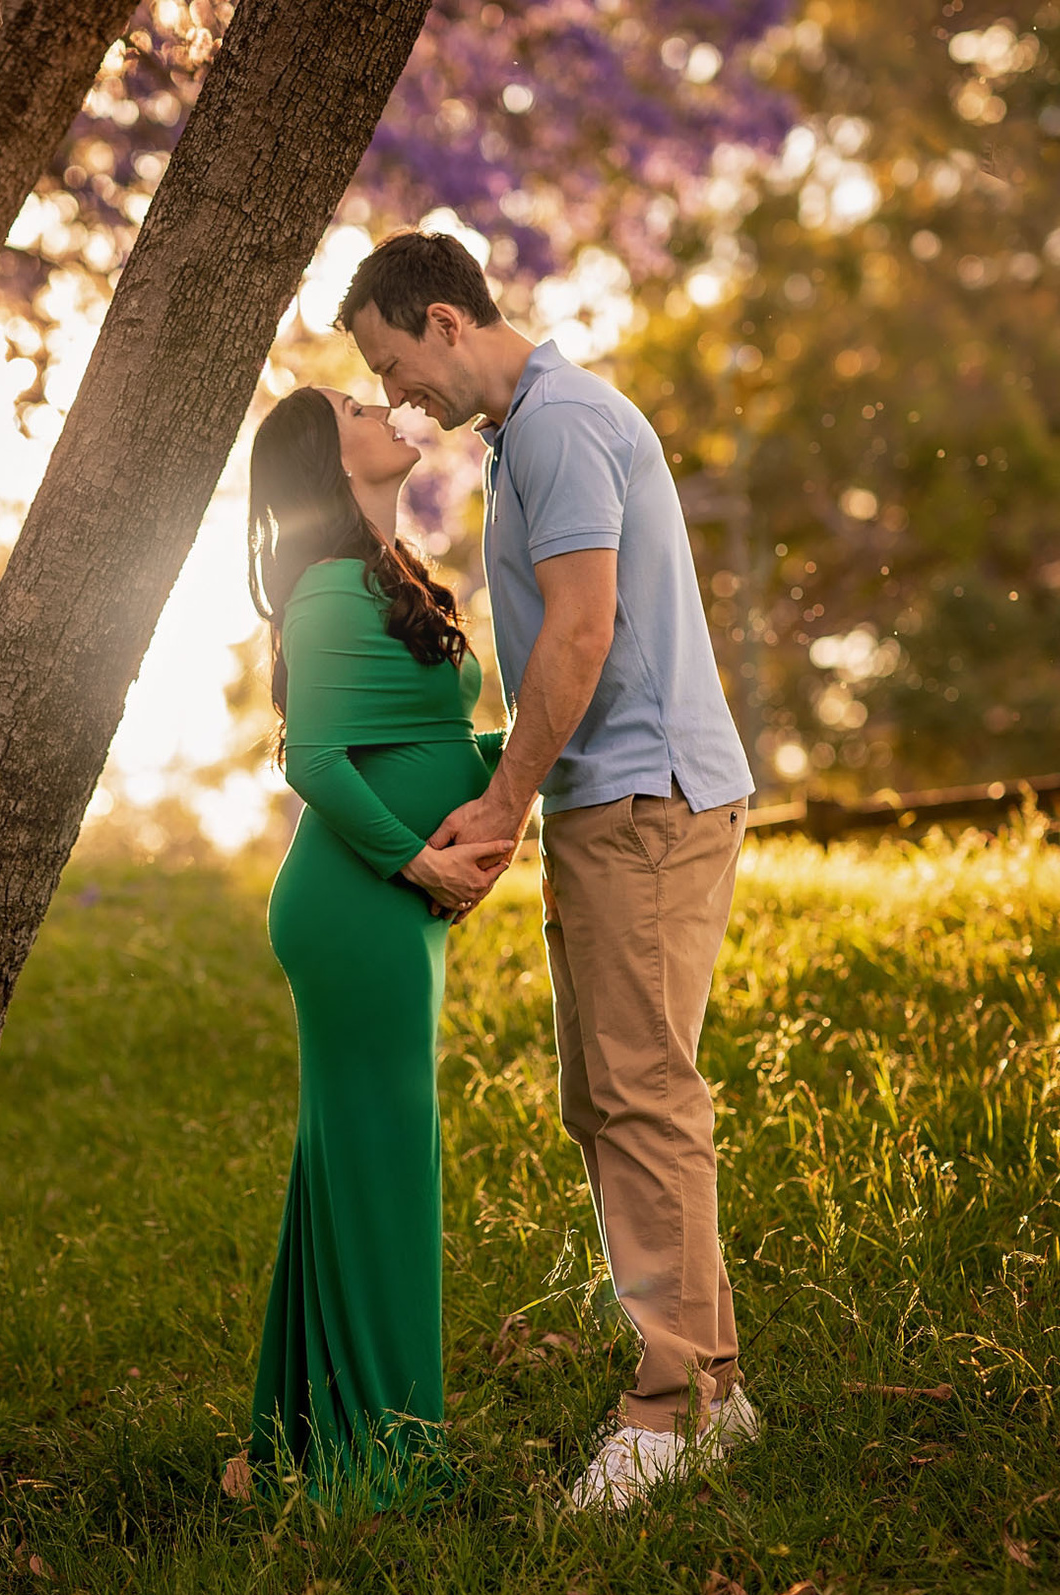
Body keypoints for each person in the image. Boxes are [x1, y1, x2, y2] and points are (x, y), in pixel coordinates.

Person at [337, 229, 759, 1512]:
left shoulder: (566, 424)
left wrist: (505, 801)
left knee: (641, 1090)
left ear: (448, 320)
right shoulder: (530, 435)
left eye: (394, 362)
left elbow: (580, 630)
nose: (398, 393)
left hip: (642, 796)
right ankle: (714, 1391)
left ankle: (675, 1402)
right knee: (611, 1092)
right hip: (608, 798)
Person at [241, 384, 515, 1500]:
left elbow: (429, 735)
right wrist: (425, 861)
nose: (381, 403)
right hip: (356, 906)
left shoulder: (388, 575)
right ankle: (386, 1458)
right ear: (327, 454)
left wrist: (532, 757)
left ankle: (298, 1441)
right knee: (384, 1165)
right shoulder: (320, 586)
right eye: (355, 404)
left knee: (345, 1166)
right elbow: (313, 762)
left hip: (391, 908)